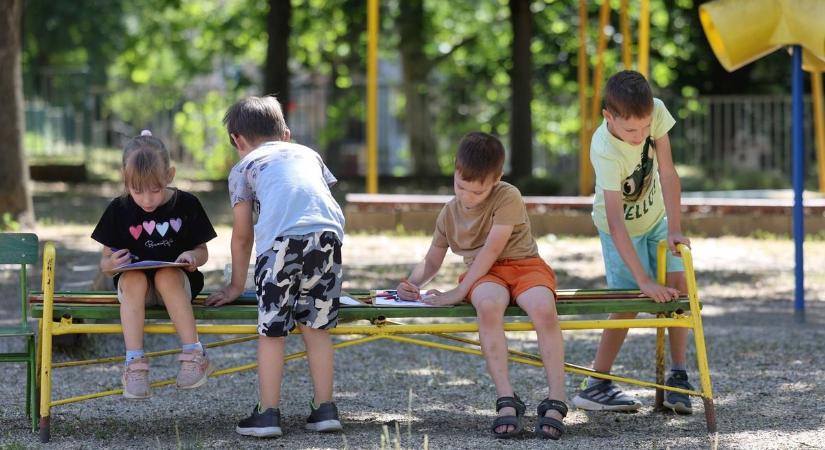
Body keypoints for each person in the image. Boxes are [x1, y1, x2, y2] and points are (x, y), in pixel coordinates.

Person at [396, 132, 567, 440]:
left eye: (477, 192)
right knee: (487, 306)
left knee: (543, 308)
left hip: (525, 266)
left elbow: (491, 249)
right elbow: (432, 261)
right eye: (461, 186)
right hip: (485, 276)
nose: (467, 197)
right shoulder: (449, 212)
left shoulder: (507, 195)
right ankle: (506, 399)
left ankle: (557, 398)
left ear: (496, 179)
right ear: (455, 173)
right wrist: (411, 283)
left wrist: (457, 292)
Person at [206, 96, 346, 438]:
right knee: (316, 326)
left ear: (237, 140)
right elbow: (316, 198)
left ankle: (267, 413)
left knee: (272, 330)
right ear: (285, 134)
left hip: (280, 243)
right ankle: (324, 409)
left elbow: (242, 236)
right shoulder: (309, 154)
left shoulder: (243, 167)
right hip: (328, 236)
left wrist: (236, 285)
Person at [571, 70, 694, 414]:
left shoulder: (654, 112)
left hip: (656, 219)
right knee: (628, 300)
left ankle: (678, 377)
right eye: (631, 131)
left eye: (645, 128)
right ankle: (597, 382)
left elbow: (668, 172)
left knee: (678, 286)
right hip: (619, 229)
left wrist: (674, 228)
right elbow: (615, 221)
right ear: (608, 117)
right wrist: (643, 282)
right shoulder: (604, 148)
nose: (641, 136)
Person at [91, 130, 217, 399]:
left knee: (166, 275)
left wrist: (193, 258)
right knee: (135, 279)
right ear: (125, 181)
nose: (147, 199)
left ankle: (194, 353)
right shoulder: (118, 209)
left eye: (155, 189)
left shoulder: (187, 204)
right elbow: (105, 264)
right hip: (136, 291)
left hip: (177, 286)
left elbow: (203, 251)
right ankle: (134, 364)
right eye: (137, 191)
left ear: (169, 176)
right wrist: (112, 262)